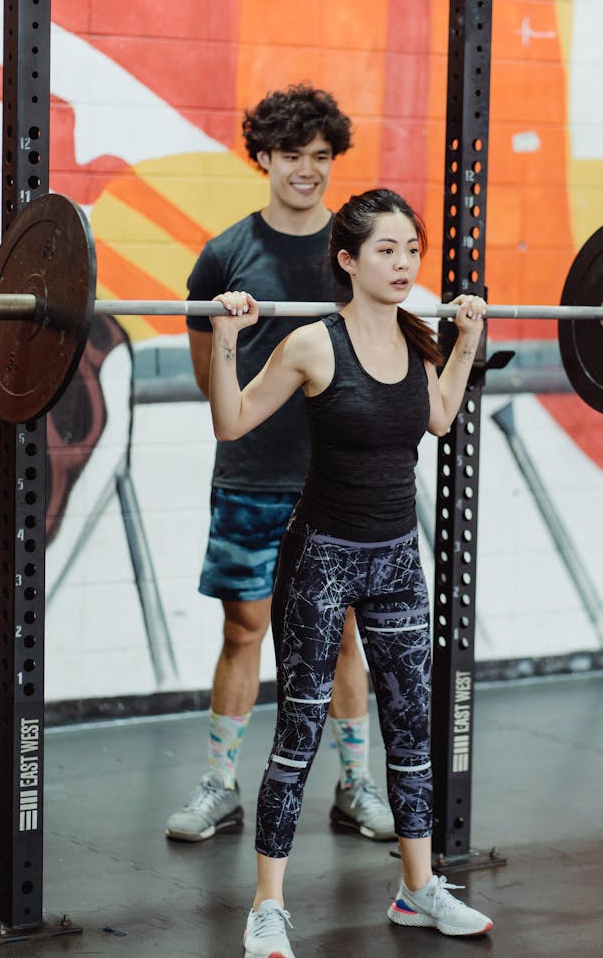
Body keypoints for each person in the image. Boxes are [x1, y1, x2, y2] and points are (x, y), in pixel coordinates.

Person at [208, 188, 494, 957]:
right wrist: (229, 335)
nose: (403, 264)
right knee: (299, 731)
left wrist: (466, 338)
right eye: (385, 250)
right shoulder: (310, 342)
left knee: (411, 725)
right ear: (348, 259)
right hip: (322, 560)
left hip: (398, 558)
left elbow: (436, 416)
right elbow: (232, 420)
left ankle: (416, 888)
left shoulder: (416, 338)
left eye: (411, 250)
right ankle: (266, 906)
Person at [165, 85, 395, 843]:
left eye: (321, 157)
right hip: (253, 472)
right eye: (292, 156)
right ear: (262, 157)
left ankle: (355, 788)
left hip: (337, 479)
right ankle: (219, 786)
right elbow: (210, 374)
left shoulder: (352, 252)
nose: (307, 170)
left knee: (346, 635)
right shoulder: (226, 254)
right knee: (244, 628)